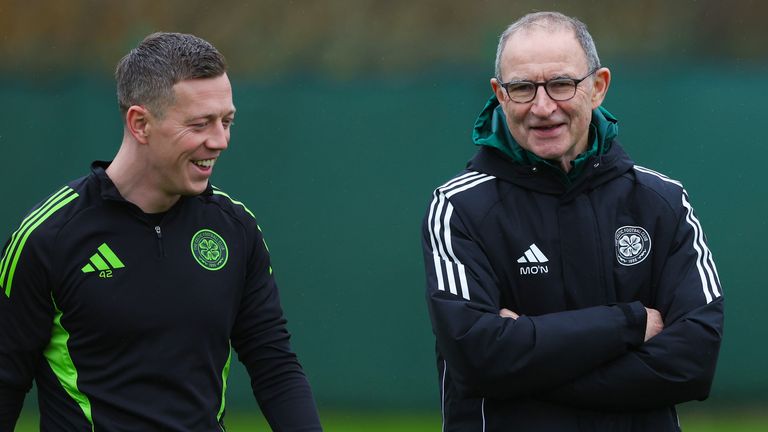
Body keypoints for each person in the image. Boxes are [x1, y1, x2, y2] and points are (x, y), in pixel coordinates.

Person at [0, 32, 322, 431]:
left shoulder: (236, 229)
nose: (220, 141)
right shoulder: (49, 237)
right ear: (140, 123)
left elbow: (275, 366)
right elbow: (6, 381)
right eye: (200, 124)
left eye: (227, 121)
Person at [422, 11, 723, 431]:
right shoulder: (458, 208)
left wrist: (526, 370)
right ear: (500, 94)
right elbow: (477, 358)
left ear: (598, 87)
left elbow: (694, 360)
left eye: (561, 84)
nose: (543, 107)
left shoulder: (663, 201)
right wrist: (630, 323)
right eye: (523, 88)